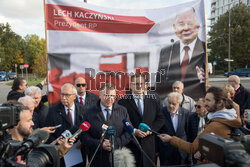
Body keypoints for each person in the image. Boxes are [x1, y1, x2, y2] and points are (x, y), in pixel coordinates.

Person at [158, 87, 242, 161]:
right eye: (205, 100)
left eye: (208, 100)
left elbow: (192, 148)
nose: (205, 104)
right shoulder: (230, 117)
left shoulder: (215, 125)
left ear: (219, 102)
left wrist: (171, 139)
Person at [157, 8, 206, 100]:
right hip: (171, 104)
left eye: (190, 24)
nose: (186, 28)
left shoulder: (205, 50)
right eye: (181, 24)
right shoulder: (166, 52)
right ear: (175, 27)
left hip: (195, 104)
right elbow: (159, 84)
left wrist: (206, 79)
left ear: (197, 26)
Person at [118, 74, 165, 167]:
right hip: (131, 146)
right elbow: (120, 122)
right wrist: (134, 131)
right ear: (131, 85)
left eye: (141, 83)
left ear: (145, 85)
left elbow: (160, 118)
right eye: (136, 84)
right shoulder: (122, 102)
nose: (139, 86)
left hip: (149, 148)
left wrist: (150, 130)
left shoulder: (153, 100)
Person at [83, 83, 131, 167]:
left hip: (118, 158)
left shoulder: (122, 110)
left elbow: (128, 132)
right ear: (100, 95)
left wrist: (115, 143)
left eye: (112, 95)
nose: (109, 98)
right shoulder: (89, 113)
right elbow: (84, 135)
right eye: (106, 95)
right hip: (97, 159)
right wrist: (99, 144)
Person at [45, 83, 85, 167]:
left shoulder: (83, 110)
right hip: (61, 155)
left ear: (74, 96)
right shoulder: (52, 111)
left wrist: (83, 141)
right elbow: (47, 133)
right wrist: (57, 142)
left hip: (79, 153)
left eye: (67, 95)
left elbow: (87, 130)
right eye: (62, 94)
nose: (63, 98)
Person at [157, 92, 190, 166]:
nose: (171, 106)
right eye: (169, 103)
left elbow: (188, 132)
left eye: (173, 104)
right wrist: (157, 150)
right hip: (166, 152)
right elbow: (157, 131)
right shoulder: (161, 112)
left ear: (179, 103)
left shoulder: (186, 113)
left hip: (181, 151)